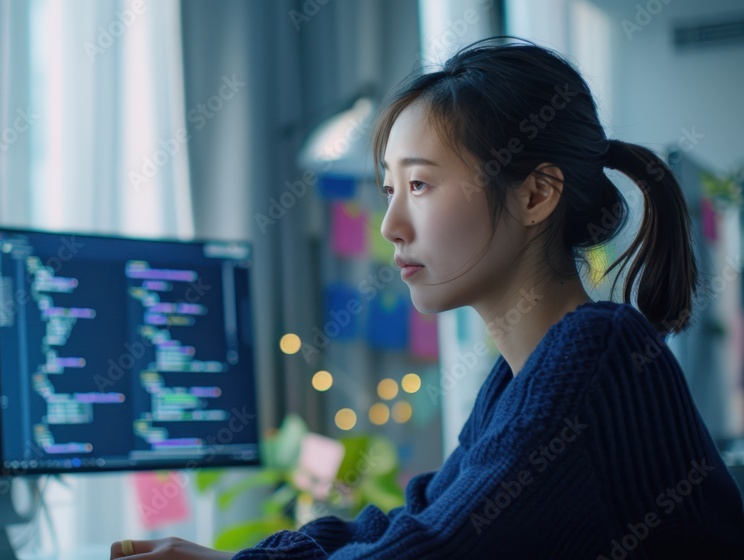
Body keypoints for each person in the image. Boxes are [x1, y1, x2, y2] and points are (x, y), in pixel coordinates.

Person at [109, 37, 744, 559]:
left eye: (420, 184)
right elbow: (418, 515)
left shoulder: (595, 353)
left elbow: (435, 551)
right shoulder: (521, 377)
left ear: (535, 195)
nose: (391, 226)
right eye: (389, 190)